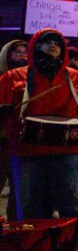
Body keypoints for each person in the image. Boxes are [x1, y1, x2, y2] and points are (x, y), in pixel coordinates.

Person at [0, 28, 78, 219]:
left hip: (66, 152)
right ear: (36, 46)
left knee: (70, 206)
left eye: (57, 42)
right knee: (29, 208)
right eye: (48, 41)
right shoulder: (13, 77)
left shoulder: (75, 77)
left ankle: (69, 244)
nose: (54, 45)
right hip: (26, 152)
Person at [0, 40, 28, 221]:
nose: (22, 55)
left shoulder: (29, 79)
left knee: (19, 190)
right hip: (1, 141)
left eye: (25, 51)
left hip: (19, 141)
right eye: (17, 51)